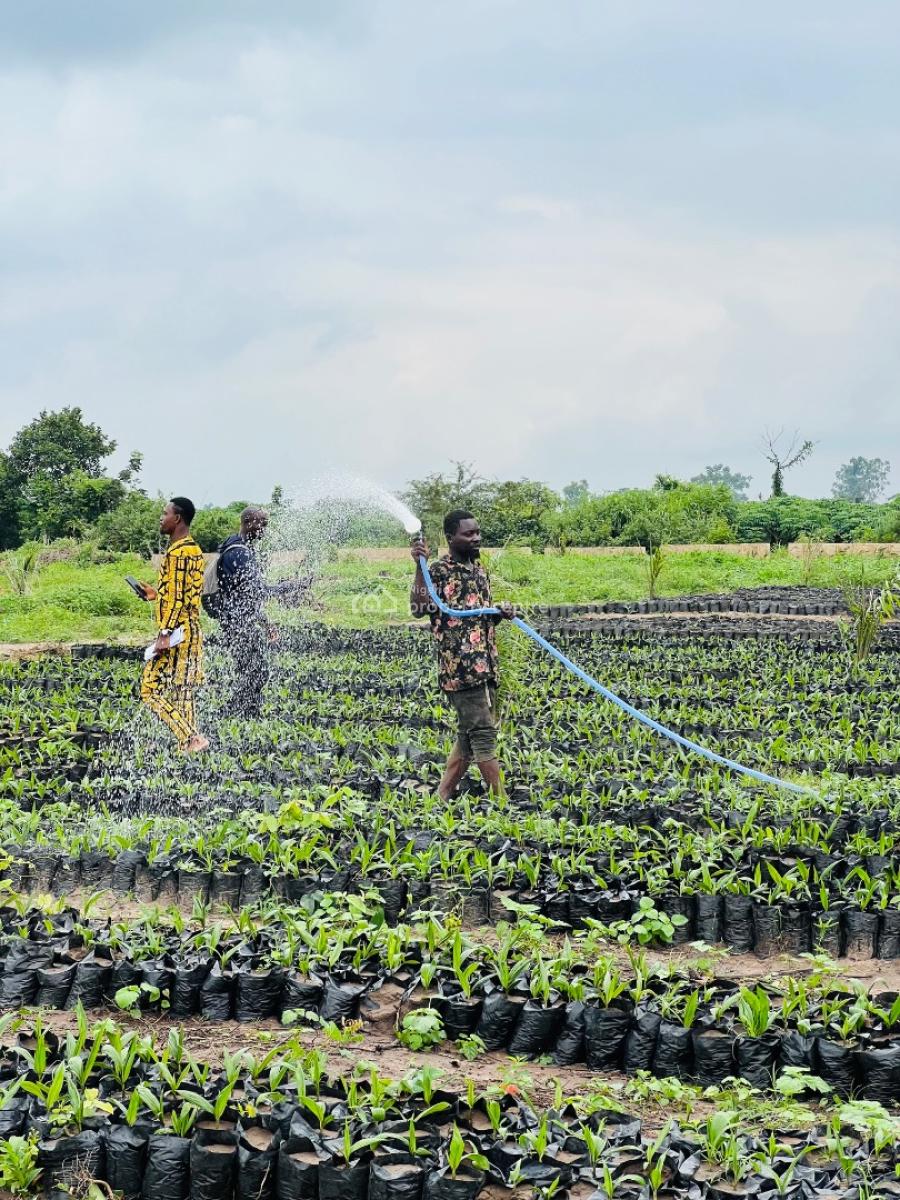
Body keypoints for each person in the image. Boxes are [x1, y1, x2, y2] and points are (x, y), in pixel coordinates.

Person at [410, 510, 514, 800]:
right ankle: (500, 798)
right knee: (482, 732)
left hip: (485, 665)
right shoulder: (439, 571)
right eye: (468, 534)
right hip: (460, 669)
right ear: (450, 538)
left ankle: (442, 794)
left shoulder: (480, 571)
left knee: (468, 735)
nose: (476, 537)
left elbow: (481, 617)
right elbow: (419, 609)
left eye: (477, 532)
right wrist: (420, 566)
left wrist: (501, 613)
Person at [138, 497, 208, 753]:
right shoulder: (193, 549)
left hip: (177, 631)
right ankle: (188, 746)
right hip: (190, 629)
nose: (161, 518)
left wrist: (164, 634)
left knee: (149, 689)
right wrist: (156, 595)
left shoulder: (178, 553)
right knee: (182, 690)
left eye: (164, 513)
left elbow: (178, 598)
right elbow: (182, 594)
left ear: (177, 518)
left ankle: (191, 737)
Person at [212, 505, 275, 718]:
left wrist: (265, 623)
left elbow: (247, 596)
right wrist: (292, 587)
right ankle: (236, 713)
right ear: (248, 523)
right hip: (237, 624)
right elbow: (257, 591)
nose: (264, 530)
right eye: (261, 524)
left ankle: (247, 712)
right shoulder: (239, 553)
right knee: (256, 670)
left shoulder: (237, 546)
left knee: (253, 669)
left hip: (237, 620)